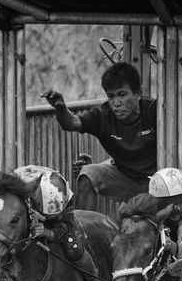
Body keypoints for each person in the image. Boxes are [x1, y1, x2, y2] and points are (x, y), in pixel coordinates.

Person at [42, 62, 156, 210]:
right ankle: (82, 229)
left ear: (138, 94)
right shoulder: (103, 115)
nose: (116, 103)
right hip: (125, 180)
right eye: (111, 96)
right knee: (88, 173)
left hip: (156, 183)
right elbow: (72, 123)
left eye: (122, 95)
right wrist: (60, 107)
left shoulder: (154, 110)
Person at [15, 165, 105, 281]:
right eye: (47, 215)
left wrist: (47, 232)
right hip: (30, 206)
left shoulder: (66, 199)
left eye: (52, 215)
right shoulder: (24, 191)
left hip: (59, 217)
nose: (50, 218)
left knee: (73, 246)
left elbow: (64, 229)